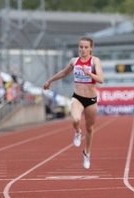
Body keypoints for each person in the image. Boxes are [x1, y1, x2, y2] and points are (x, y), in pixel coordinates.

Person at [43, 37, 103, 169]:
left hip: (91, 100)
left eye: (86, 47)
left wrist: (90, 73)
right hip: (78, 97)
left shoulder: (95, 61)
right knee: (75, 119)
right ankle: (77, 131)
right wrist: (50, 81)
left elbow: (101, 79)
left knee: (90, 128)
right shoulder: (74, 61)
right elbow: (64, 72)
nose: (83, 49)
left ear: (91, 48)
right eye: (81, 47)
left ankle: (87, 152)